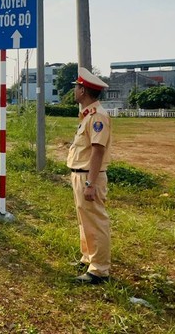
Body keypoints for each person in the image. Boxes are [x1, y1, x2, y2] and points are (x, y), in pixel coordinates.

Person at [67, 67, 112, 285]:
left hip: (89, 176)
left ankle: (99, 270)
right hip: (81, 174)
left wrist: (90, 184)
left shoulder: (98, 116)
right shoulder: (87, 115)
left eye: (76, 87)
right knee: (84, 220)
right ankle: (89, 257)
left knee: (96, 221)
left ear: (83, 90)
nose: (74, 90)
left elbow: (98, 150)